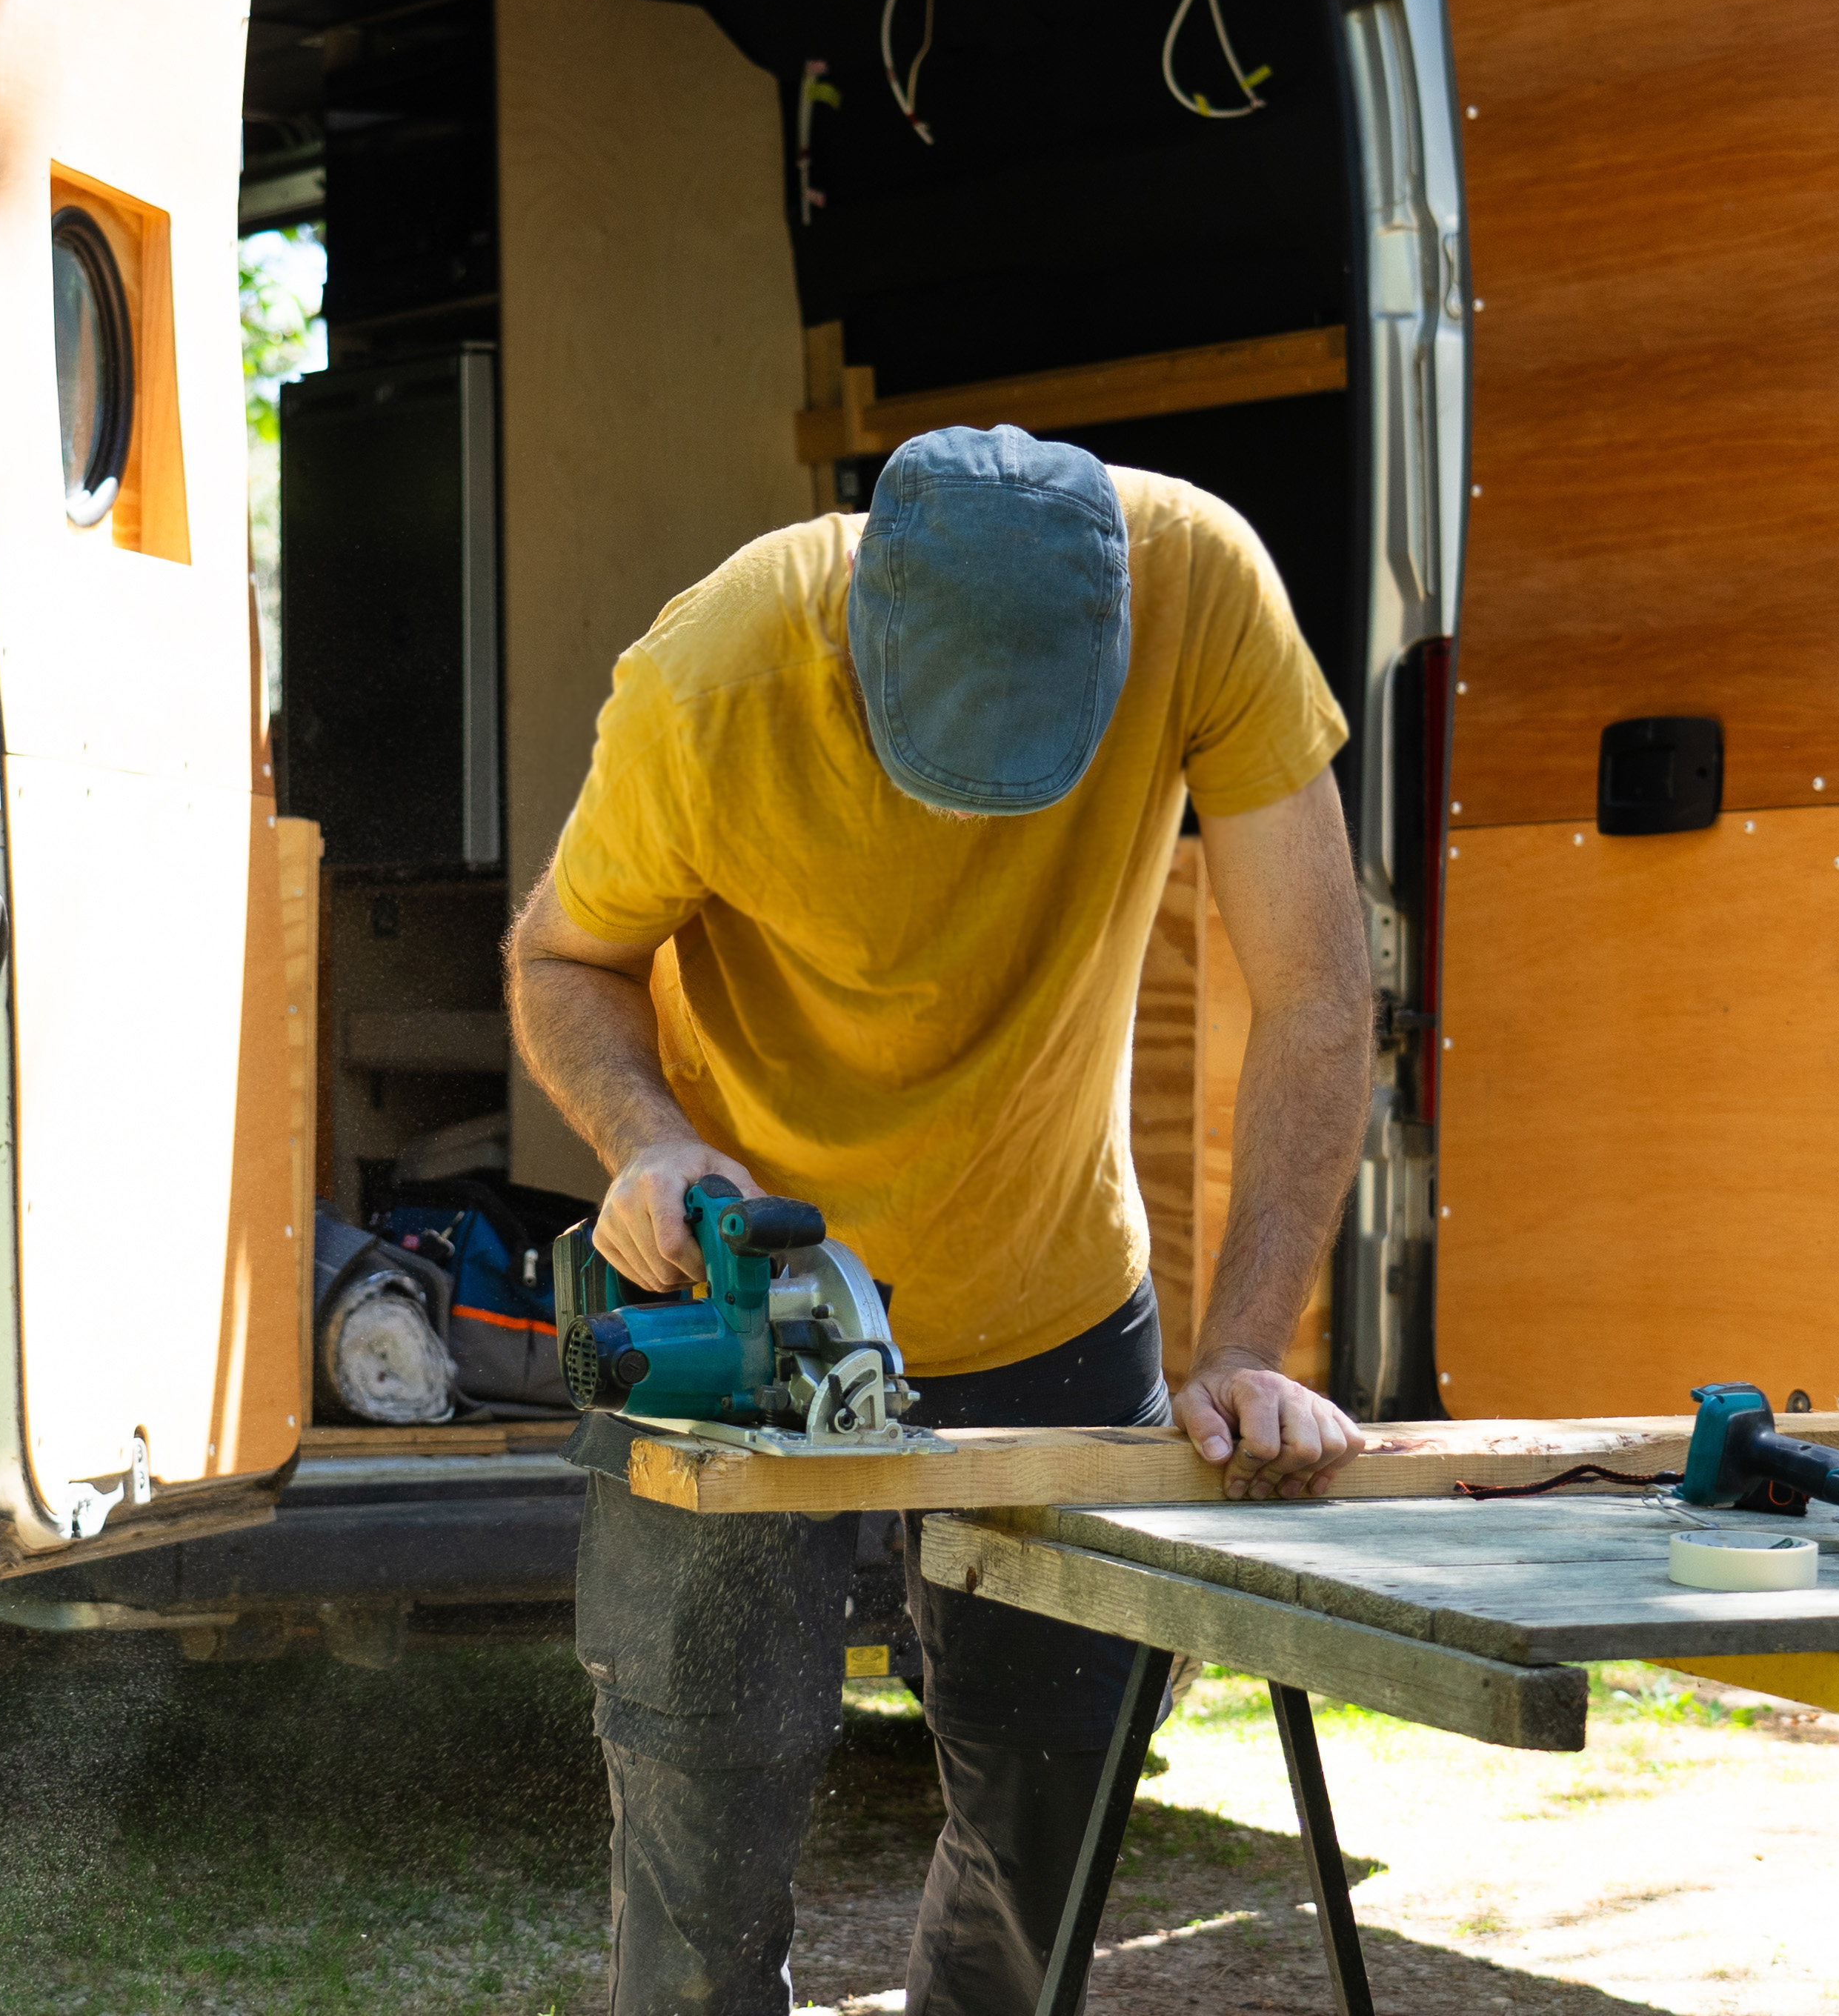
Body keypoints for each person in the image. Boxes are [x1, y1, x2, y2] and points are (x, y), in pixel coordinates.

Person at [508, 422, 1377, 2015]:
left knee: (1058, 1815)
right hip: (751, 1317)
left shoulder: (1198, 584)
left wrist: (1249, 1344)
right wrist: (651, 1144)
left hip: (1046, 1287)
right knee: (701, 1846)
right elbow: (560, 956)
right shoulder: (713, 675)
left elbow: (1317, 993)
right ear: (851, 636)